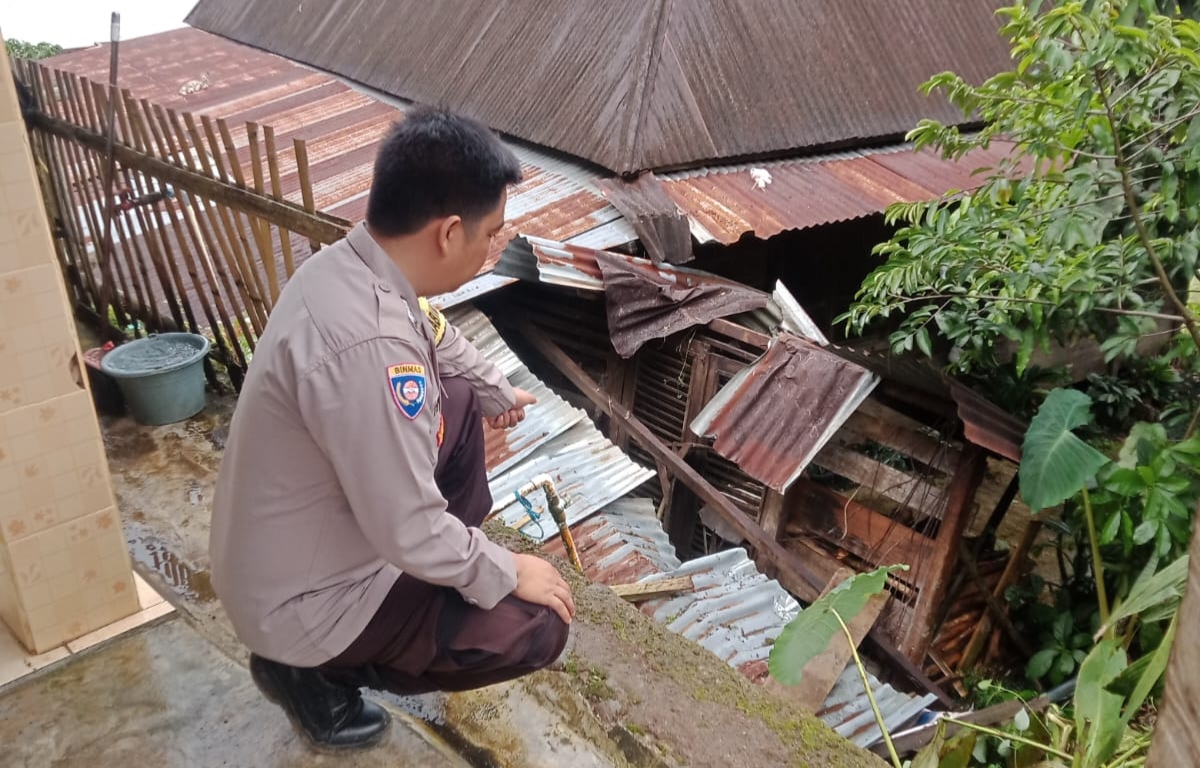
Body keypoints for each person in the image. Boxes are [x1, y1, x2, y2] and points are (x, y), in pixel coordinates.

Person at [209, 109, 576, 753]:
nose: (492, 250)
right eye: (491, 235)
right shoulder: (372, 347)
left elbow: (433, 332)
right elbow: (407, 527)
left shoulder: (348, 266)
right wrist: (504, 568)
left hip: (282, 559)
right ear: (449, 233)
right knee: (536, 626)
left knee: (457, 399)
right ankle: (315, 673)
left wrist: (495, 388)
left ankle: (432, 587)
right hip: (302, 606)